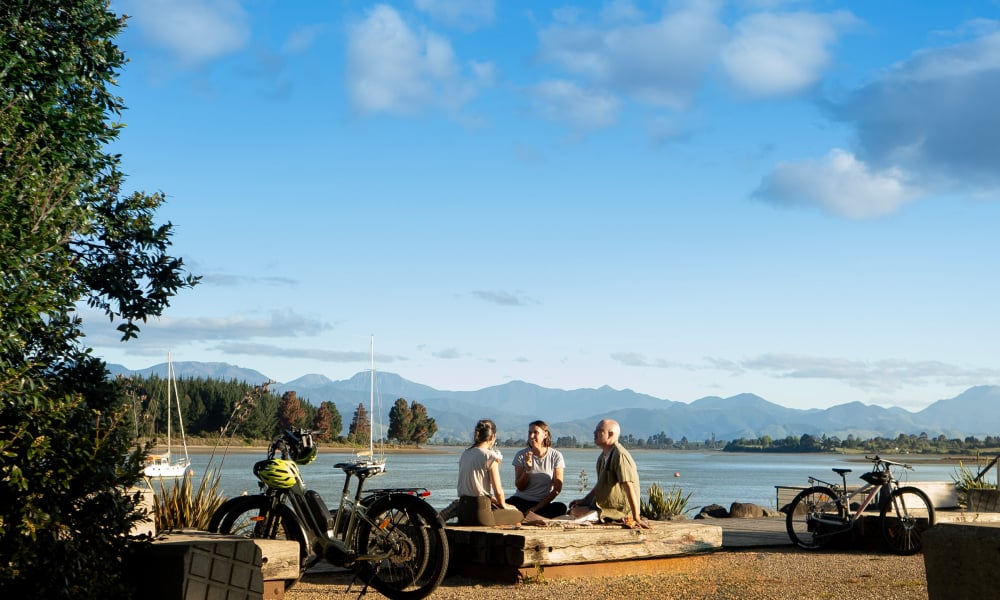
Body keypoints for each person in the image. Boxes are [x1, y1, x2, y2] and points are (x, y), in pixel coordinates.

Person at [569, 419, 650, 529]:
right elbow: (600, 485)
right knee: (574, 509)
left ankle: (604, 516)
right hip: (604, 505)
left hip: (619, 510)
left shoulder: (620, 455)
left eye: (599, 431)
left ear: (610, 434)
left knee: (576, 513)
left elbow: (628, 486)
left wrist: (636, 517)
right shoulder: (603, 457)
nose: (594, 433)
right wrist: (585, 500)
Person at [455, 419, 523, 526]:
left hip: (463, 512)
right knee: (519, 515)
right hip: (481, 513)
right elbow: (498, 490)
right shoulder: (490, 456)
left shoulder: (465, 454)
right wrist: (504, 505)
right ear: (493, 437)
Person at [506, 420, 567, 518]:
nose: (531, 436)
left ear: (545, 434)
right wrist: (527, 469)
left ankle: (527, 516)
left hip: (541, 504)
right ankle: (526, 516)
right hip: (520, 500)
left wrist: (535, 509)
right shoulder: (521, 455)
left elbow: (557, 489)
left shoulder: (556, 456)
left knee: (561, 507)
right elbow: (520, 487)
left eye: (536, 433)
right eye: (530, 433)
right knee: (500, 506)